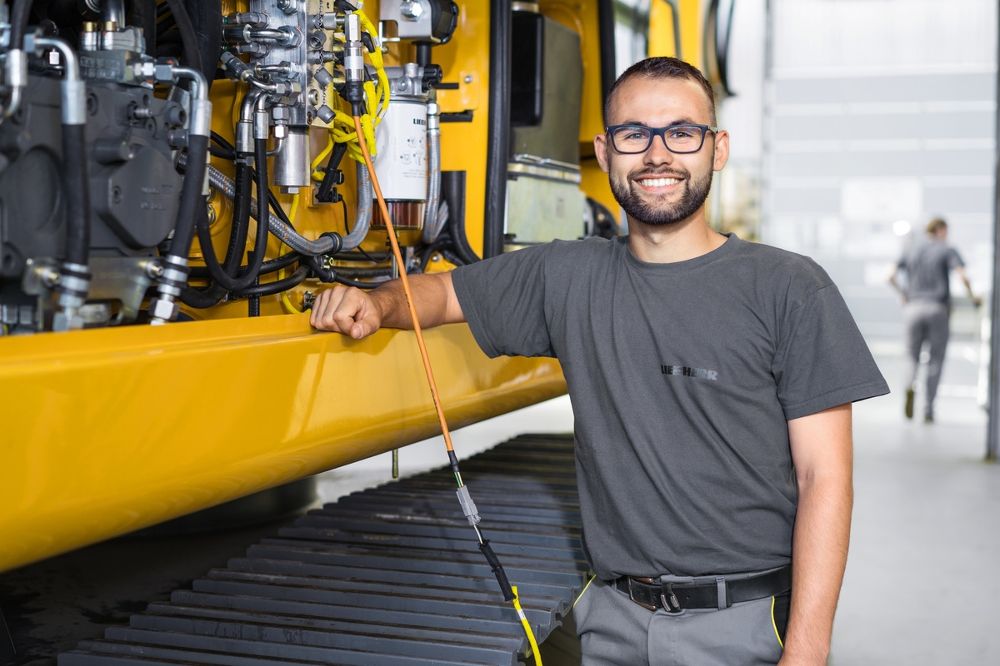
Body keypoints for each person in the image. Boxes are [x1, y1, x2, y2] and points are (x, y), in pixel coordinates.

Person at [312, 57, 889, 666]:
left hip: (743, 624)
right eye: (634, 134)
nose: (657, 154)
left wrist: (807, 649)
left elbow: (824, 479)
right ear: (605, 150)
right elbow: (444, 293)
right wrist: (375, 303)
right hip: (613, 622)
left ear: (717, 149)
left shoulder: (789, 289)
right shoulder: (569, 275)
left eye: (682, 132)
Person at [889, 217, 980, 423]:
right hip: (937, 309)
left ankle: (909, 387)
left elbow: (889, 275)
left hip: (913, 308)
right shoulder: (947, 249)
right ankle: (929, 408)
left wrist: (903, 294)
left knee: (911, 356)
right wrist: (973, 297)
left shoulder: (912, 249)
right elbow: (963, 276)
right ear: (940, 230)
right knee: (935, 360)